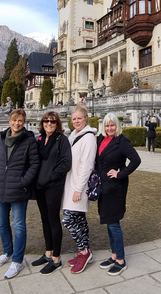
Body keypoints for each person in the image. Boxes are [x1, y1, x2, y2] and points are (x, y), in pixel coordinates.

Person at [0, 108, 40, 279]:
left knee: (18, 225)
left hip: (18, 189)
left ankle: (17, 261)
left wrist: (23, 182)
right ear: (9, 121)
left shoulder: (29, 139)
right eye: (14, 120)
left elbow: (34, 164)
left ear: (24, 122)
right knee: (1, 223)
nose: (17, 123)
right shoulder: (3, 138)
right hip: (0, 187)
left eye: (20, 120)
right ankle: (6, 252)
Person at [95, 113, 141, 275]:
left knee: (114, 223)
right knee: (108, 221)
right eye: (107, 126)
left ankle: (120, 259)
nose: (109, 128)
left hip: (115, 187)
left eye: (112, 125)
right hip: (102, 187)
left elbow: (136, 160)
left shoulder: (122, 141)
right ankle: (114, 255)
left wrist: (120, 173)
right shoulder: (100, 139)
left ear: (117, 126)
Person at [31, 112, 72, 275]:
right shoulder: (40, 139)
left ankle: (56, 258)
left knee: (53, 219)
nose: (49, 123)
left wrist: (50, 177)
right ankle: (48, 252)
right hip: (40, 185)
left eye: (52, 121)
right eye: (46, 121)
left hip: (53, 185)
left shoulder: (61, 140)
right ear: (42, 123)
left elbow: (66, 163)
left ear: (57, 124)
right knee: (44, 219)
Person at [62, 105, 97, 274]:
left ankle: (83, 251)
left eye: (79, 118)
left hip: (79, 187)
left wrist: (78, 189)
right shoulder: (73, 135)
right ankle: (85, 251)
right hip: (71, 184)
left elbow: (87, 165)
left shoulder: (89, 137)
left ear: (86, 119)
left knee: (68, 220)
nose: (76, 121)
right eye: (74, 118)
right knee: (80, 221)